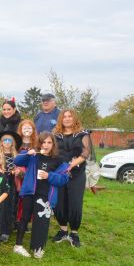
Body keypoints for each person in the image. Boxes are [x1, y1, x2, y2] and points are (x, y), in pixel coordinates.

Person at [13, 132, 69, 258]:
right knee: (24, 218)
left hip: (46, 195)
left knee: (42, 221)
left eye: (49, 142)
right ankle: (18, 245)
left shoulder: (58, 160)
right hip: (30, 192)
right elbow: (17, 160)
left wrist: (49, 176)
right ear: (39, 144)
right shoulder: (34, 156)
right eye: (43, 142)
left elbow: (64, 179)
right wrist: (27, 154)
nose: (46, 145)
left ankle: (37, 247)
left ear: (53, 144)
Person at [52, 109, 91, 248]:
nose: (67, 119)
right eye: (64, 117)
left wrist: (71, 165)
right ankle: (63, 230)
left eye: (70, 116)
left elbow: (86, 152)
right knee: (60, 203)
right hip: (59, 173)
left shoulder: (82, 134)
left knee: (75, 203)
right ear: (61, 119)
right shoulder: (56, 135)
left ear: (74, 118)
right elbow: (50, 150)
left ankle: (74, 233)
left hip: (77, 174)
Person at [0, 126, 22, 242]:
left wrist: (18, 171)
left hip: (11, 183)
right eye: (4, 140)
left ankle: (6, 231)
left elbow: (21, 169)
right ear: (1, 142)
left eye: (9, 140)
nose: (6, 142)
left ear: (12, 143)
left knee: (9, 206)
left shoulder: (17, 156)